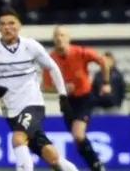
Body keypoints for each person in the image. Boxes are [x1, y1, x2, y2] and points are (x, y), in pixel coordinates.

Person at [0, 10, 80, 171]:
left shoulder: (30, 46)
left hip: (33, 104)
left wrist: (62, 96)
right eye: (3, 24)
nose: (7, 27)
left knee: (18, 139)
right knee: (53, 158)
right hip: (12, 110)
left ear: (19, 26)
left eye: (11, 23)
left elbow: (52, 67)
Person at [43, 26, 110, 171]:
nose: (59, 38)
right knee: (77, 139)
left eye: (62, 35)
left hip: (84, 98)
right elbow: (46, 86)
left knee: (78, 135)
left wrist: (105, 83)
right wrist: (61, 88)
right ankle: (95, 166)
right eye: (56, 36)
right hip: (67, 102)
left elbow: (104, 61)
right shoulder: (50, 59)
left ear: (68, 38)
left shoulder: (81, 52)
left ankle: (98, 165)